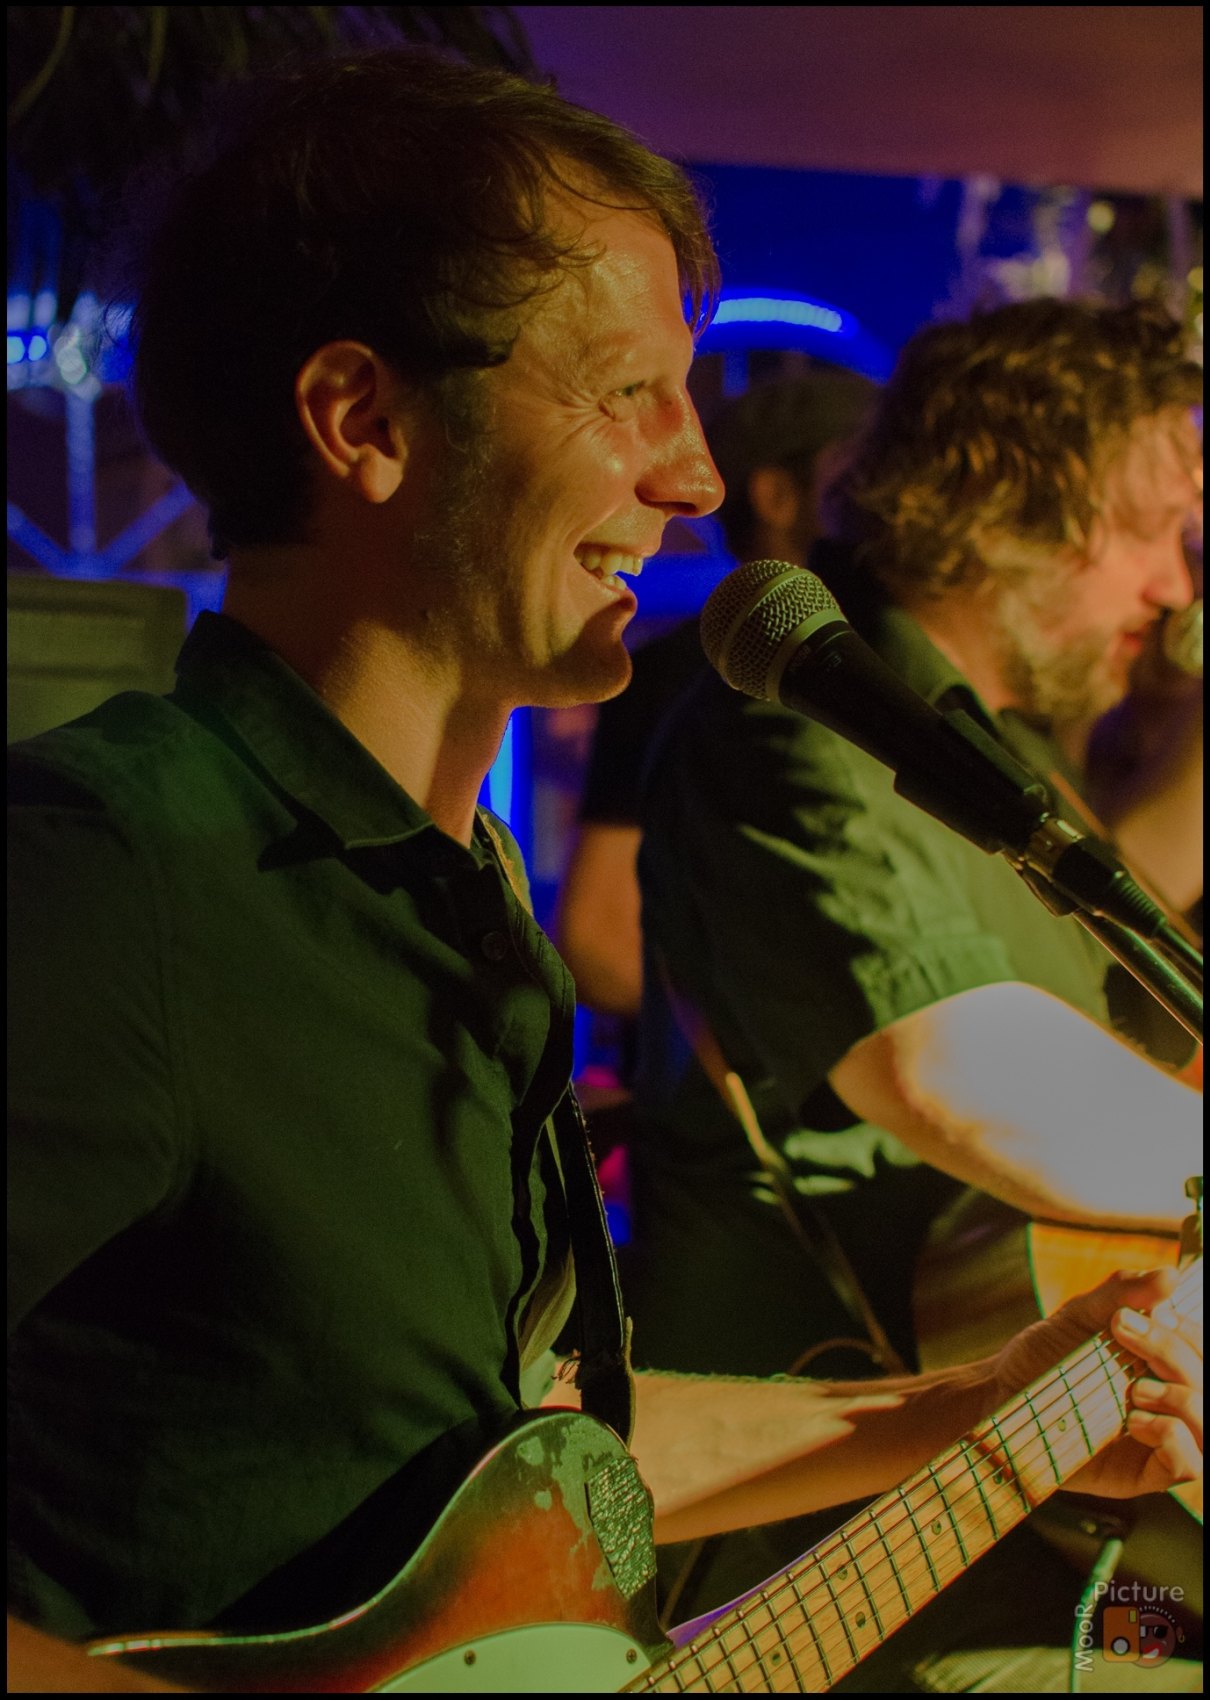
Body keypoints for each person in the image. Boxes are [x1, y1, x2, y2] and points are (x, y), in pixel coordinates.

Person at [7, 52, 1200, 1694]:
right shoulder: (108, 868)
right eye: (627, 393)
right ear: (363, 421)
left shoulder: (462, 901)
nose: (696, 474)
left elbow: (523, 1471)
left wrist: (981, 1411)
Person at [624, 297, 1204, 1670]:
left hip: (1044, 1510)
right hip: (845, 1557)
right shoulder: (801, 730)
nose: (1175, 588)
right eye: (1150, 531)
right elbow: (961, 1075)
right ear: (1012, 502)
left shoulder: (988, 750)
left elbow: (1132, 980)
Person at [556, 367, 878, 1029]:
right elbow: (598, 941)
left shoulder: (886, 663)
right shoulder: (674, 677)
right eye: (856, 470)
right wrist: (801, 1032)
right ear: (776, 497)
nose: (887, 499)